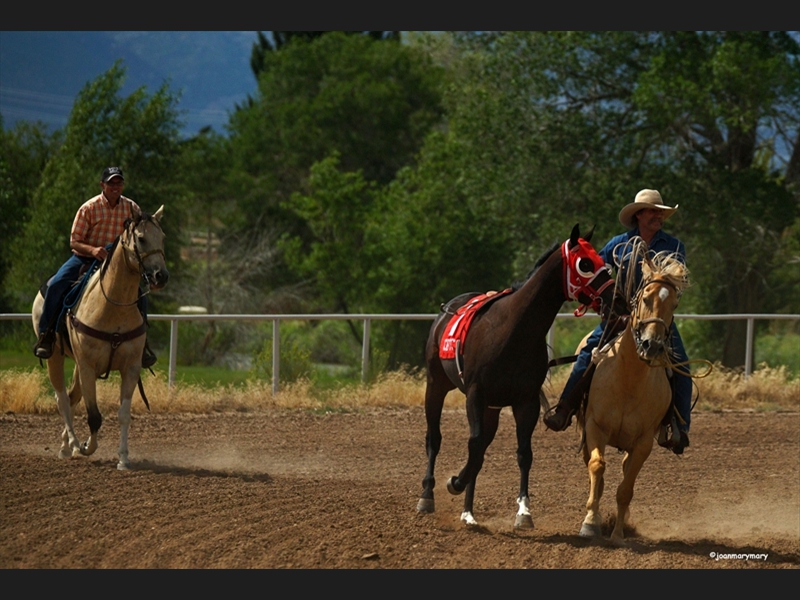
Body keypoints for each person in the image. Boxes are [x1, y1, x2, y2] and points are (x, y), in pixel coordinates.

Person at [543, 189, 692, 454]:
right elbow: (598, 273)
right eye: (653, 210)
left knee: (681, 365)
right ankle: (565, 408)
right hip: (619, 317)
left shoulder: (674, 246)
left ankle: (679, 426)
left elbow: (676, 280)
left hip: (656, 318)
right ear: (639, 215)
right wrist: (603, 303)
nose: (658, 215)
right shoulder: (617, 245)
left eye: (660, 211)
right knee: (587, 353)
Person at [33, 166, 157, 368]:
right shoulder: (89, 208)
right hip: (86, 258)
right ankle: (46, 335)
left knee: (140, 297)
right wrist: (93, 251)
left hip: (118, 264)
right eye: (111, 183)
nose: (116, 187)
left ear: (123, 185)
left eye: (119, 183)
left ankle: (142, 345)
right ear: (103, 185)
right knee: (57, 284)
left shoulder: (132, 208)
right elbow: (74, 241)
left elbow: (141, 232)